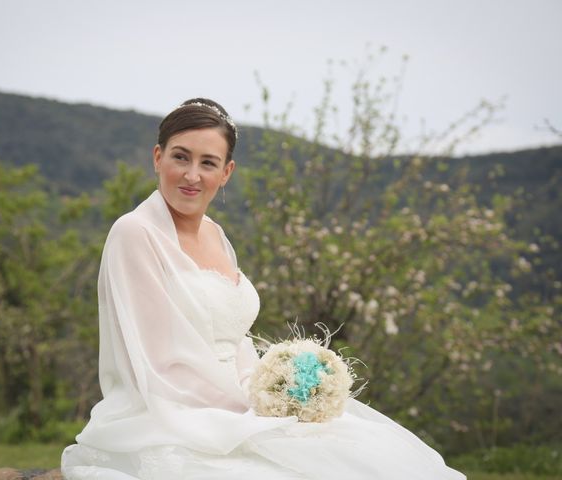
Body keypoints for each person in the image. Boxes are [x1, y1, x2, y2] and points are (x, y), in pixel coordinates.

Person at [61, 98, 466, 479]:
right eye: (180, 157)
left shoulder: (216, 236)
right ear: (157, 157)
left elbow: (232, 339)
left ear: (226, 173)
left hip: (240, 398)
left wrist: (276, 389)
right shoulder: (135, 233)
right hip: (175, 410)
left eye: (208, 163)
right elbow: (156, 361)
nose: (191, 175)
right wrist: (250, 406)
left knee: (368, 450)